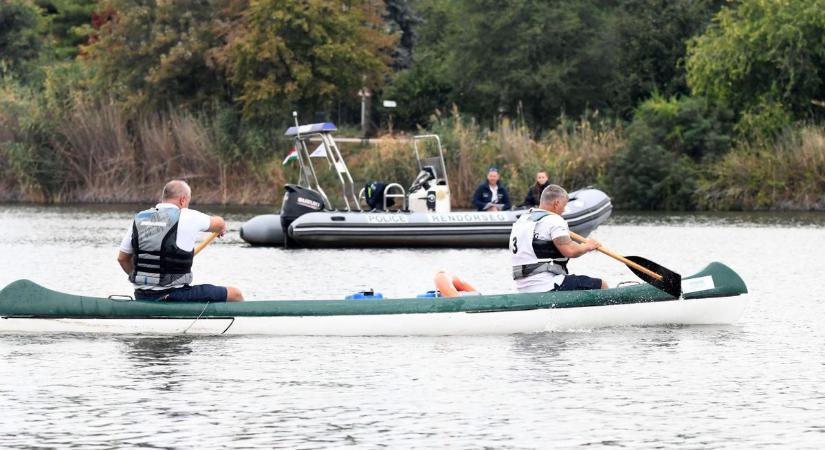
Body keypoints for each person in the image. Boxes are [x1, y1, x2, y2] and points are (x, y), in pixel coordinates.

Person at [116, 180, 244, 302]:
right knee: (236, 294)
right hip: (174, 295)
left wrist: (147, 282)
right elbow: (219, 223)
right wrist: (220, 229)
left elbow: (122, 259)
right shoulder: (188, 215)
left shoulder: (140, 217)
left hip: (141, 295)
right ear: (183, 199)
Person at [510, 184, 608, 292]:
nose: (564, 210)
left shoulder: (523, 219)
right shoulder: (554, 220)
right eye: (564, 205)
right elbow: (570, 251)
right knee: (602, 285)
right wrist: (588, 246)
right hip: (546, 284)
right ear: (557, 203)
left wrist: (583, 245)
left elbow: (559, 243)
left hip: (522, 288)